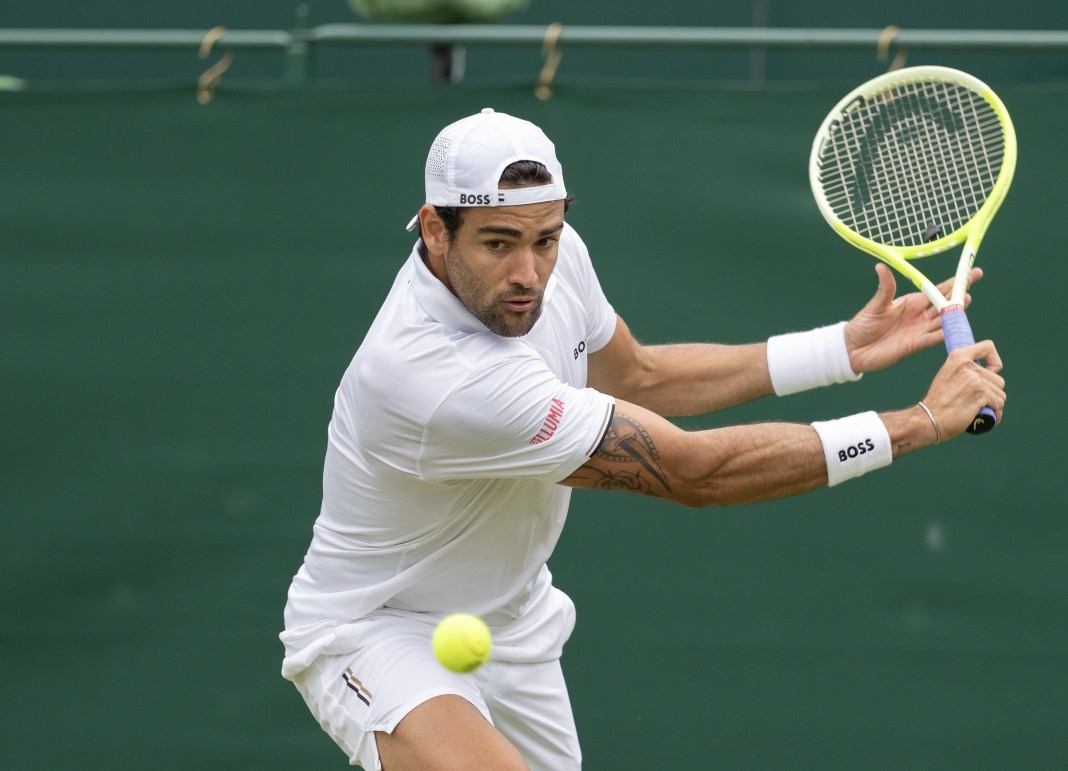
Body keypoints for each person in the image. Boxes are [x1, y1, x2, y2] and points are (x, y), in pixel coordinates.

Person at [280, 107, 1006, 770]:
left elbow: (642, 376)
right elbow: (698, 474)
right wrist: (922, 421)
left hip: (513, 617)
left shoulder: (549, 265)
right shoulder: (435, 378)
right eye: (498, 244)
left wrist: (840, 350)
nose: (528, 273)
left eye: (546, 239)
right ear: (435, 231)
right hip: (378, 628)